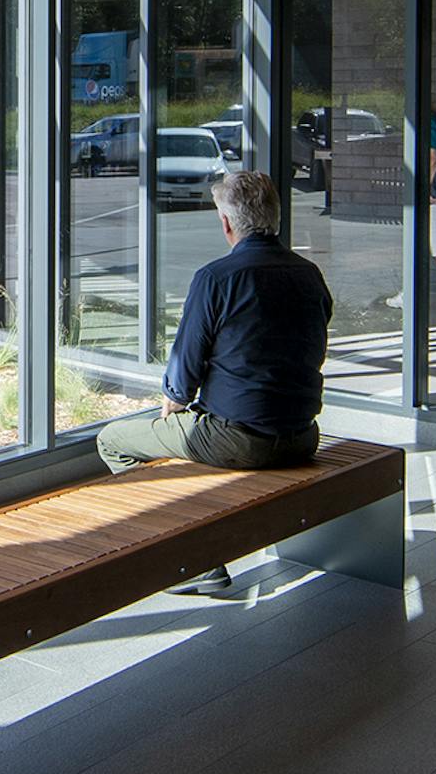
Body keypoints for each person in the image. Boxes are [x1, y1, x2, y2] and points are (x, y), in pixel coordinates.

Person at [95, 171, 333, 594]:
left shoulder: (216, 278)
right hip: (302, 435)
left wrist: (173, 399)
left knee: (113, 440)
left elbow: (185, 366)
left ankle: (194, 562)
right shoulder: (309, 274)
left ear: (226, 223)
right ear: (275, 218)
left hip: (239, 440)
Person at [385, 106, 436, 317]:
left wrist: (423, 189)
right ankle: (409, 292)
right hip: (431, 194)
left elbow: (432, 156)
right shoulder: (432, 120)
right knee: (420, 243)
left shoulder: (429, 121)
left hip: (430, 197)